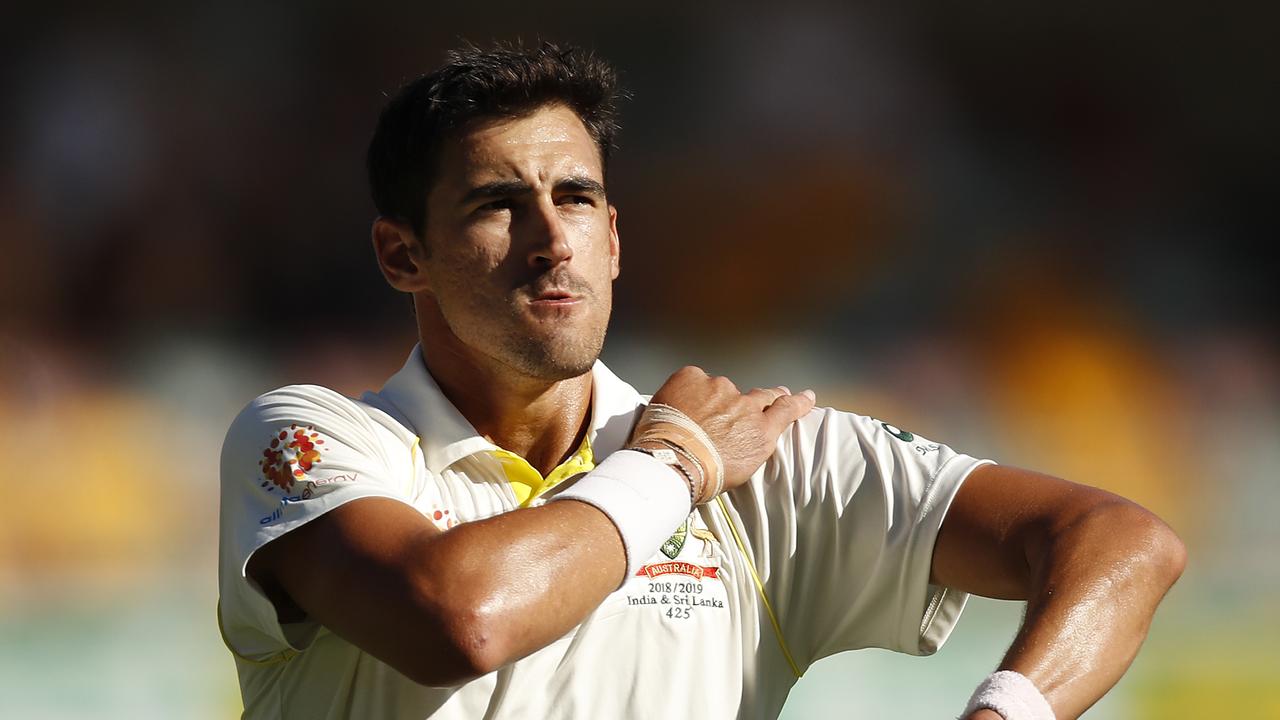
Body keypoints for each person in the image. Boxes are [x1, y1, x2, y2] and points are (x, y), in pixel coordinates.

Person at [217, 42, 1185, 720]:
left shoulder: (763, 456)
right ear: (401, 255)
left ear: (616, 238)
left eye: (578, 199)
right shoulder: (313, 437)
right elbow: (455, 622)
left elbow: (1117, 542)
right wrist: (673, 466)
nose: (552, 241)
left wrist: (1005, 711)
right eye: (497, 205)